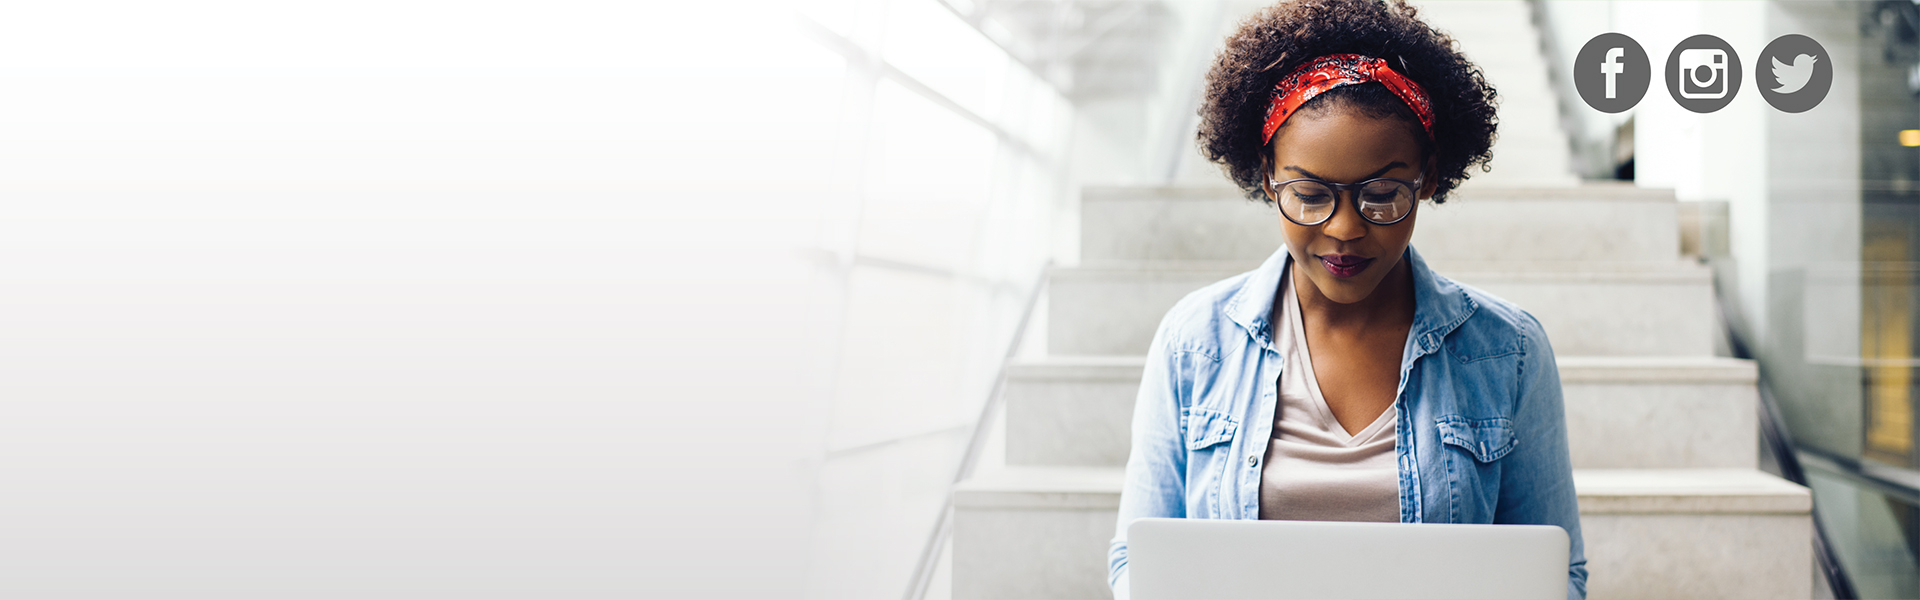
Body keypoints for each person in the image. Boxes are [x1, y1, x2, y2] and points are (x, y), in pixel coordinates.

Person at [1104, 1, 1588, 599]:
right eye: (1309, 195)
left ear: (1429, 177)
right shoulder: (1195, 342)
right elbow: (1136, 561)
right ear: (1268, 177)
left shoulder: (1508, 351)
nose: (1345, 229)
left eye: (1381, 194)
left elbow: (1557, 575)